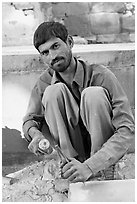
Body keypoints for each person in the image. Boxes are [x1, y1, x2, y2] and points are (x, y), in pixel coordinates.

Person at [22, 21, 135, 183]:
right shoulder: (44, 82)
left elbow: (126, 129)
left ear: (69, 42)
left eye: (55, 46)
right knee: (53, 92)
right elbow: (29, 120)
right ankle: (70, 167)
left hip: (102, 161)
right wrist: (36, 136)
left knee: (93, 94)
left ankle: (100, 171)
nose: (52, 56)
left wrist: (91, 166)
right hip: (72, 164)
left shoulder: (101, 76)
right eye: (45, 53)